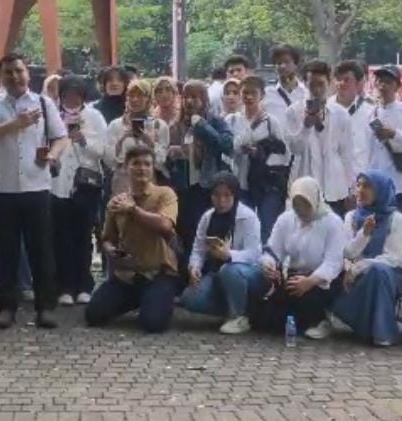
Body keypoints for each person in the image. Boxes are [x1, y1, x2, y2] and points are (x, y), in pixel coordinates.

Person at [0, 52, 69, 330]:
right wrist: (16, 124)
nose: (15, 76)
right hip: (1, 188)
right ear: (1, 76)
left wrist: (52, 155)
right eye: (8, 72)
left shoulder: (44, 102)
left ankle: (45, 307)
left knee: (42, 250)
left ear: (28, 73)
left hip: (37, 186)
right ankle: (6, 307)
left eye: (19, 71)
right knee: (6, 251)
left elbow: (61, 137)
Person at [85, 146, 180, 333]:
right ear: (126, 168)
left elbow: (165, 226)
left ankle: (156, 300)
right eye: (136, 163)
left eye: (147, 164)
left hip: (158, 273)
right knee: (93, 315)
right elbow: (107, 239)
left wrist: (133, 210)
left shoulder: (165, 194)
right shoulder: (116, 202)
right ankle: (139, 300)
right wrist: (111, 250)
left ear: (153, 168)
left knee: (153, 325)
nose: (142, 168)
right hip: (126, 276)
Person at [257, 177, 347, 340]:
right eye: (296, 204)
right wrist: (269, 264)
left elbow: (333, 262)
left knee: (308, 298)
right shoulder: (286, 219)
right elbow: (273, 249)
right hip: (295, 276)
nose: (301, 210)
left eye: (306, 204)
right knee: (270, 319)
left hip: (322, 281)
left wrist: (310, 281)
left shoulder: (333, 223)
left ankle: (321, 319)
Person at [179, 172, 263, 334]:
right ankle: (235, 308)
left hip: (248, 272)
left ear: (235, 195)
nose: (221, 200)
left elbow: (254, 254)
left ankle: (238, 315)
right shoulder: (208, 217)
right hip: (216, 272)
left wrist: (229, 255)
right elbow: (198, 248)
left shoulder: (248, 217)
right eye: (216, 195)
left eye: (227, 195)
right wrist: (194, 267)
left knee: (229, 270)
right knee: (190, 298)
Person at [332, 171, 402, 346]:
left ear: (380, 191)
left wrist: (358, 267)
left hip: (391, 274)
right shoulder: (351, 217)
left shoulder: (396, 219)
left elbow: (392, 257)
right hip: (356, 273)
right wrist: (364, 234)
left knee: (378, 271)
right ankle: (367, 327)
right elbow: (348, 252)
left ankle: (383, 333)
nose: (360, 190)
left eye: (367, 186)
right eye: (358, 185)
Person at [50, 76, 106, 307]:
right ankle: (64, 286)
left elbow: (102, 151)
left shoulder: (94, 116)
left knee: (83, 236)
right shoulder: (52, 115)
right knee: (61, 237)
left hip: (86, 183)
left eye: (76, 95)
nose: (72, 99)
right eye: (67, 95)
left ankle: (84, 285)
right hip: (58, 185)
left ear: (83, 96)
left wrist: (83, 140)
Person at [169, 80, 233, 259]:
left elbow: (227, 145)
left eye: (195, 97)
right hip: (184, 188)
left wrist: (202, 126)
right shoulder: (176, 125)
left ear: (205, 100)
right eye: (186, 97)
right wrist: (172, 155)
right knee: (186, 232)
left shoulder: (215, 121)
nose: (189, 101)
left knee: (208, 232)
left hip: (208, 186)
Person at [285, 61, 355, 216]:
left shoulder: (341, 114)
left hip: (335, 188)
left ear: (329, 83)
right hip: (305, 184)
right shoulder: (293, 112)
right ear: (305, 84)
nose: (317, 90)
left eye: (321, 84)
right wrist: (305, 127)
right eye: (312, 85)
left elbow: (347, 154)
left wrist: (352, 188)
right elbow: (295, 149)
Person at [227, 75, 289, 242]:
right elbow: (232, 147)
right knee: (242, 229)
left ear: (262, 95)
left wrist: (261, 153)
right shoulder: (232, 120)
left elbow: (284, 153)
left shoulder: (271, 122)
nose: (248, 97)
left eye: (253, 93)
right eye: (244, 93)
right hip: (240, 182)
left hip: (266, 183)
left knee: (267, 227)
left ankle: (268, 256)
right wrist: (251, 128)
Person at [364, 65, 402, 217]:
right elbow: (366, 152)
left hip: (401, 184)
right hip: (377, 185)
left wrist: (395, 135)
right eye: (379, 81)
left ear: (398, 86)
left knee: (400, 226)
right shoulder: (369, 113)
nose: (383, 86)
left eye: (388, 82)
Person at [104, 79, 169, 194]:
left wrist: (150, 142)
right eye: (131, 95)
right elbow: (109, 161)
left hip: (149, 184)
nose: (134, 99)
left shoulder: (159, 126)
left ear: (148, 98)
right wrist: (122, 139)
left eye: (140, 95)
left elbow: (161, 161)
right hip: (122, 184)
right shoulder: (116, 125)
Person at [334, 60, 374, 167]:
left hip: (360, 171)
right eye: (338, 79)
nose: (341, 83)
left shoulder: (371, 111)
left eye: (347, 80)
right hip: (332, 171)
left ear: (358, 83)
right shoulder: (326, 107)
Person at [262, 44, 307, 128]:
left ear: (295, 64)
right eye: (279, 63)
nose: (282, 66)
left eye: (287, 62)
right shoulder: (266, 95)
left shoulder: (306, 93)